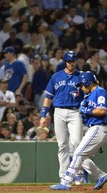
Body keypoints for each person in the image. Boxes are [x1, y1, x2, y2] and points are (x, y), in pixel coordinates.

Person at [50, 71, 107, 191]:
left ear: (87, 82)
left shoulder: (100, 91)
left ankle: (66, 182)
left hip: (99, 128)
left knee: (77, 154)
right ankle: (101, 175)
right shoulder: (90, 95)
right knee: (80, 156)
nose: (82, 88)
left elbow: (102, 111)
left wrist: (86, 110)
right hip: (96, 129)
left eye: (82, 85)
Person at [40, 51, 84, 184]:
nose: (71, 63)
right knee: (62, 145)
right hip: (58, 111)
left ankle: (78, 173)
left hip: (75, 112)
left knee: (77, 142)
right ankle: (64, 175)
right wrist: (43, 115)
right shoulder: (56, 77)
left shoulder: (81, 77)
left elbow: (87, 95)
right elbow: (48, 98)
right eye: (69, 61)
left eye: (73, 61)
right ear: (65, 62)